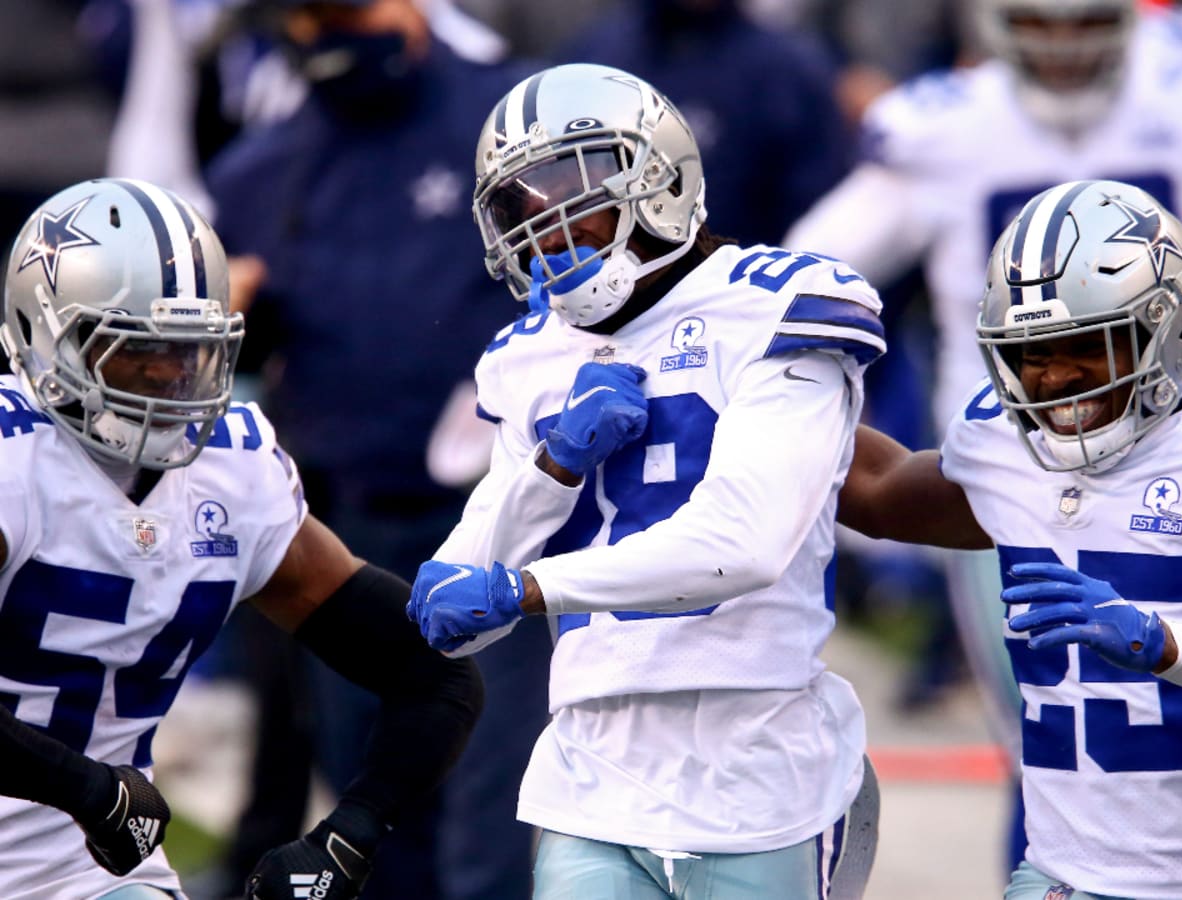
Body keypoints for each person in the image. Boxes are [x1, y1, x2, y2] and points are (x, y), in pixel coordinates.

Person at [404, 61, 884, 899]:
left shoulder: (778, 299)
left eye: (577, 206)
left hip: (759, 755)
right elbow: (454, 607)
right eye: (529, 218)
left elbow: (744, 546)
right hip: (592, 761)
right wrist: (555, 464)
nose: (553, 239)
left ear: (658, 182)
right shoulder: (529, 354)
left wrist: (525, 588)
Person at [0, 176, 482, 900]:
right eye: (135, 351)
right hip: (93, 825)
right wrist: (86, 788)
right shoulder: (13, 458)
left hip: (84, 876)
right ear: (43, 337)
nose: (167, 378)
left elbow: (434, 675)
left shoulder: (233, 470)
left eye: (186, 350)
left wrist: (348, 832)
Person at [202, 3, 547, 898]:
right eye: (312, 13)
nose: (334, 31)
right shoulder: (260, 172)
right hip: (348, 523)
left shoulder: (506, 129)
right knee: (380, 796)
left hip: (502, 519)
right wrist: (235, 309)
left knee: (497, 812)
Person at [837, 178, 1182, 899]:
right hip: (1064, 876)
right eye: (1033, 353)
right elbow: (880, 495)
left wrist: (1163, 643)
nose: (1057, 377)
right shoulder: (1003, 447)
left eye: (1085, 346)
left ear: (1165, 327)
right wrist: (753, 399)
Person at [557, 0, 854, 248]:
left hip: (743, 294)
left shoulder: (789, 69)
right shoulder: (596, 56)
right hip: (607, 286)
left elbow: (820, 220)